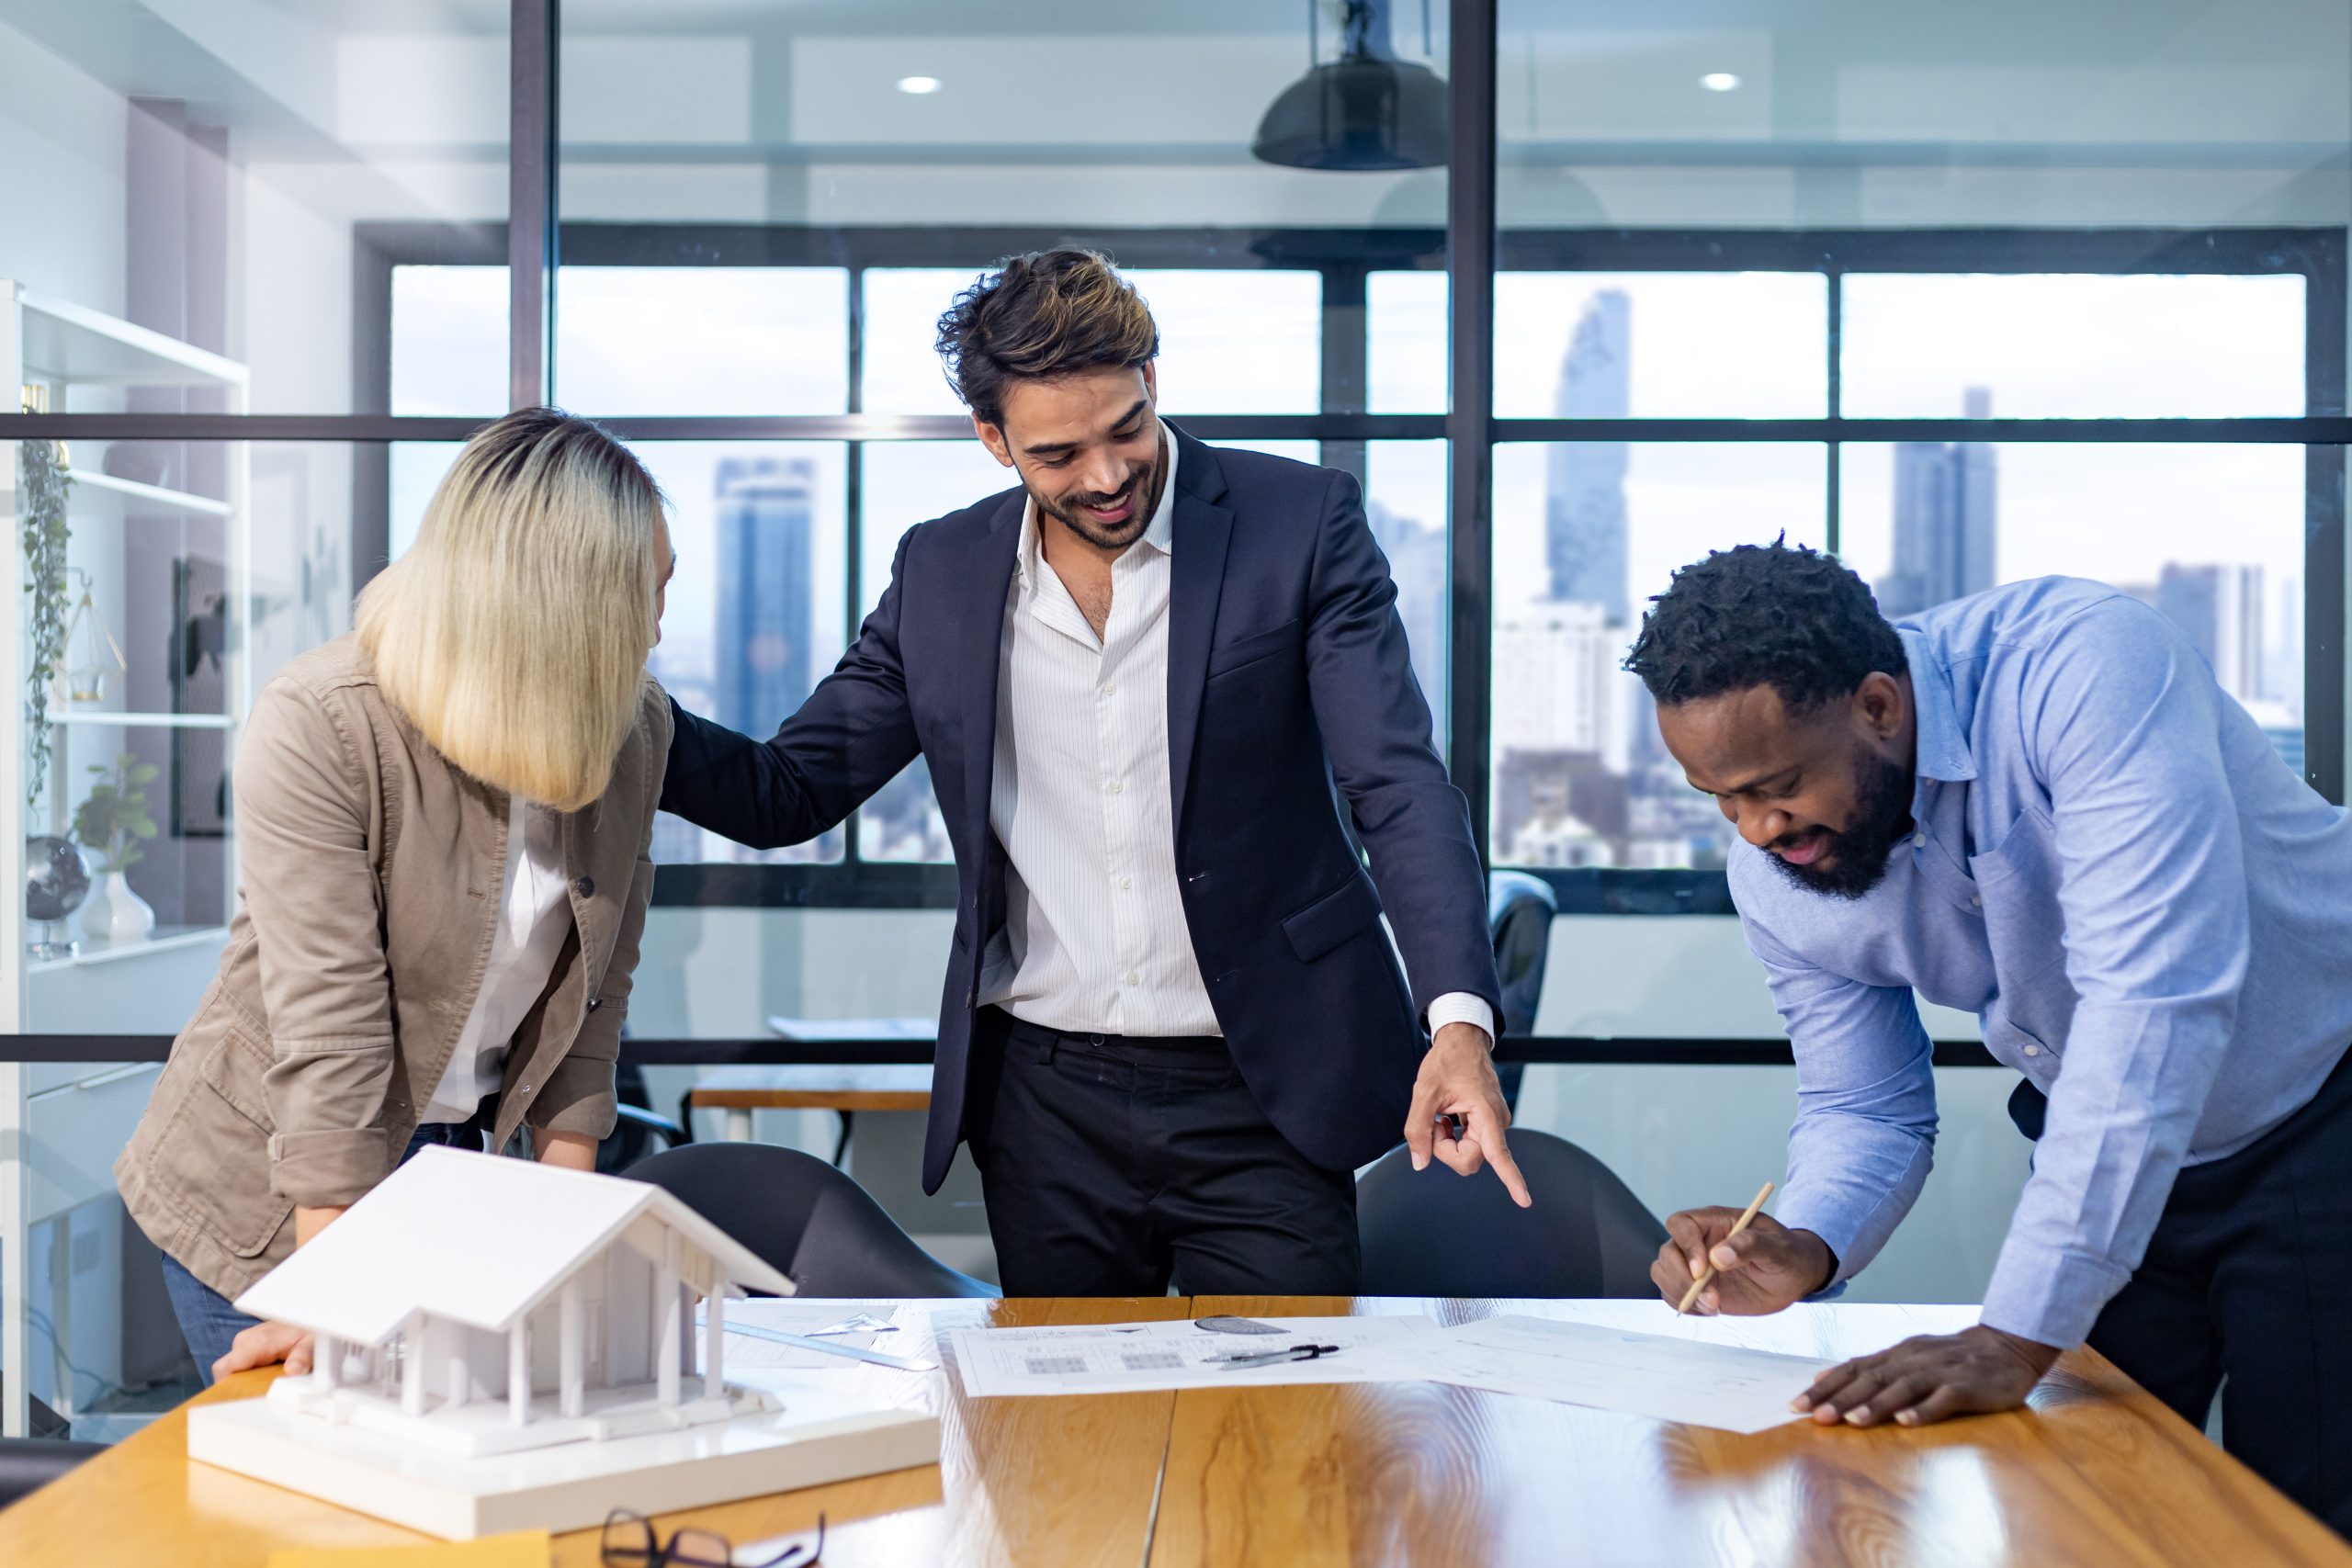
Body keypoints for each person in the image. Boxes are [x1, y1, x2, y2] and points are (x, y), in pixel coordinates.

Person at [661, 248, 1518, 1297]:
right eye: (1059, 453)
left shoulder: (1298, 524)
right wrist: (601, 713)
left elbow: (1394, 782)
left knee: (1281, 1427)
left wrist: (1459, 1021)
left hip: (1262, 1087)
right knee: (1061, 1433)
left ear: (1152, 384)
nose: (1106, 477)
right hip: (1045, 1103)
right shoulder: (941, 572)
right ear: (993, 442)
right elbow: (788, 791)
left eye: (1125, 430)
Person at [1623, 540, 2352, 1535]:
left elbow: (2150, 1005)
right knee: (2078, 1510)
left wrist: (2011, 1336)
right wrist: (1806, 1243)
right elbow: (1863, 1104)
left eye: (1777, 783)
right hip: (2104, 1144)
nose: (1754, 832)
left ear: (1879, 705)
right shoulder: (1779, 868)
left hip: (2321, 1104)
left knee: (2305, 1523)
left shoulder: (2084, 666)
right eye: (1722, 798)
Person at [116, 407, 678, 1382]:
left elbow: (596, 997)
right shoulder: (326, 722)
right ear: (564, 606)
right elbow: (329, 1027)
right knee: (317, 1507)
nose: (659, 627)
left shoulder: (634, 731)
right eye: (644, 596)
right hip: (274, 1186)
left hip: (455, 1176)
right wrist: (329, 1290)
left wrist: (564, 1243)